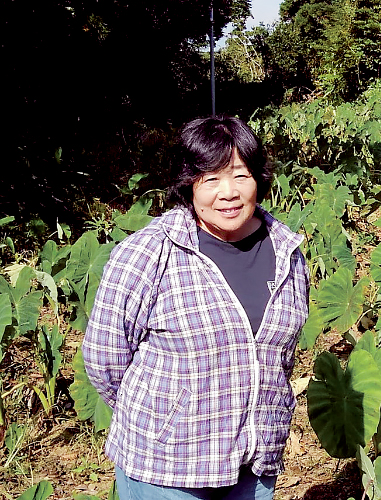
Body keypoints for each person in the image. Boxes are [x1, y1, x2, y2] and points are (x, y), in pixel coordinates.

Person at [83, 116, 309, 500]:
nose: (229, 193)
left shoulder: (287, 251)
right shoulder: (148, 253)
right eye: (211, 178)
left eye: (240, 175)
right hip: (166, 468)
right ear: (188, 184)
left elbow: (278, 356)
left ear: (259, 179)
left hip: (253, 467)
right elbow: (105, 358)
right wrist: (164, 420)